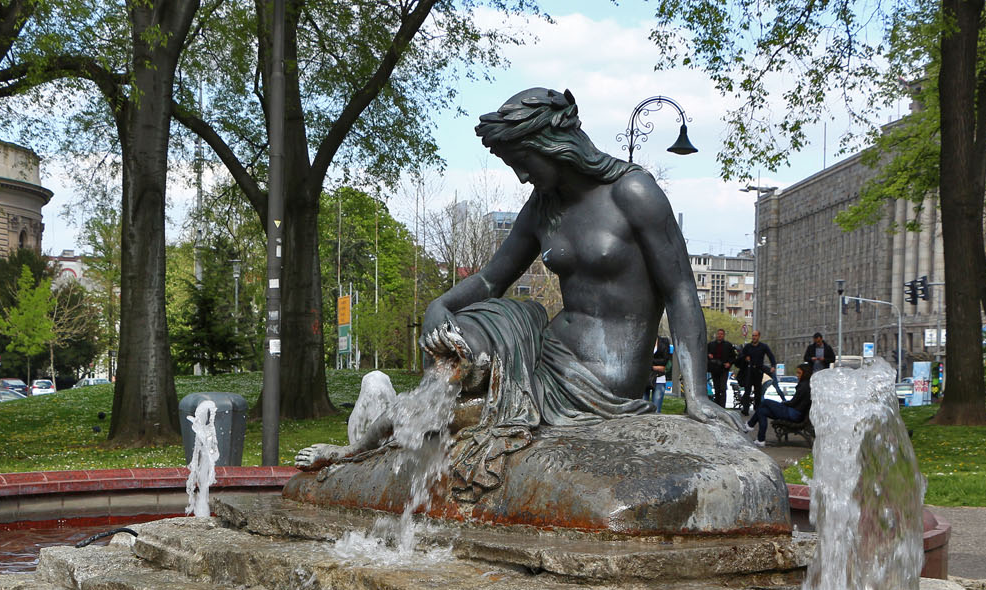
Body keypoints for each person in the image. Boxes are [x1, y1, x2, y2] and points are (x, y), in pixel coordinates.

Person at [296, 87, 730, 470]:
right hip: (547, 355)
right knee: (469, 336)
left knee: (466, 405)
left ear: (556, 145)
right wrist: (439, 307)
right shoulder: (543, 206)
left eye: (524, 162)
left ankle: (357, 453)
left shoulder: (634, 193)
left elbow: (681, 292)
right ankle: (353, 453)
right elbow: (491, 280)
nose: (522, 176)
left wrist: (696, 394)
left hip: (602, 382)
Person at [746, 363, 812, 446]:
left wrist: (783, 403)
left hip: (794, 413)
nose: (797, 375)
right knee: (762, 411)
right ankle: (760, 440)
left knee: (766, 401)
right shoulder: (806, 385)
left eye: (799, 373)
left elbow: (793, 403)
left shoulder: (803, 386)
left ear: (805, 374)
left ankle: (750, 425)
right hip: (795, 413)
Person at [736, 329, 776, 415]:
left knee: (758, 391)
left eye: (755, 336)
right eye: (753, 335)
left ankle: (757, 409)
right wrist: (745, 357)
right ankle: (745, 409)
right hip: (749, 370)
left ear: (759, 337)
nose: (754, 337)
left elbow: (770, 355)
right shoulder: (748, 347)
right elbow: (741, 356)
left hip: (758, 371)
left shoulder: (763, 346)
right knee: (747, 390)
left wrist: (773, 365)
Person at [706, 328, 736, 407]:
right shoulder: (711, 345)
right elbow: (705, 352)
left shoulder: (728, 345)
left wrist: (729, 363)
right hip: (714, 368)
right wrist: (708, 355)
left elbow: (733, 356)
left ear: (724, 335)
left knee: (723, 388)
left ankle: (722, 406)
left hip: (724, 369)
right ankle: (717, 405)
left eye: (721, 334)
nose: (720, 336)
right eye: (718, 334)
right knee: (716, 388)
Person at [649, 337, 672, 412]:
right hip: (644, 379)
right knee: (641, 410)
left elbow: (665, 361)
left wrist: (649, 365)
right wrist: (656, 366)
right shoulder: (642, 340)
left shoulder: (664, 341)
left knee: (656, 409)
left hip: (659, 378)